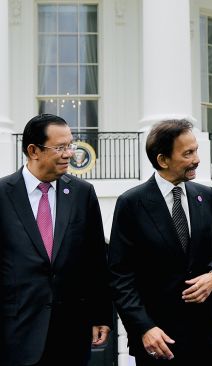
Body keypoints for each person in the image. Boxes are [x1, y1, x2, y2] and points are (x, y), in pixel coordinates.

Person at [108, 119, 212, 365]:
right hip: (158, 341)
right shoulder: (131, 204)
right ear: (163, 160)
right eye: (188, 153)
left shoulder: (206, 196)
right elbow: (120, 276)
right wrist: (144, 328)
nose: (197, 159)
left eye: (196, 150)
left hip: (206, 339)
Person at [0, 114, 112, 365]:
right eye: (60, 147)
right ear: (33, 151)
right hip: (15, 333)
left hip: (71, 333)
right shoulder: (3, 194)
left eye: (70, 145)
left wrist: (100, 315)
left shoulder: (83, 193)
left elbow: (96, 260)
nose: (70, 153)